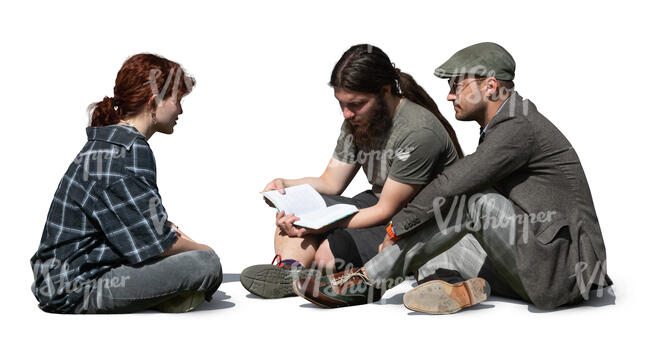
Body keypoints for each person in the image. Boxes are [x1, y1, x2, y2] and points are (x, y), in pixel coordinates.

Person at [294, 42, 612, 313]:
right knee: (435, 241)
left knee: (472, 201)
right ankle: (456, 287)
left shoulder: (519, 126)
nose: (449, 96)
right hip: (539, 261)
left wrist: (396, 228)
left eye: (456, 85)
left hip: (564, 271)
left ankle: (366, 283)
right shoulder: (503, 127)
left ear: (490, 86)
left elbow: (455, 182)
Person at [240, 44, 479, 299]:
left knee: (327, 255)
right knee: (292, 214)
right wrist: (285, 186)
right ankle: (291, 272)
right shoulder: (357, 120)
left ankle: (324, 274)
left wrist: (320, 226)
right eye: (341, 104)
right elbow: (331, 182)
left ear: (385, 92)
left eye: (355, 104)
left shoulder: (419, 132)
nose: (346, 113)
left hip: (417, 217)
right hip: (378, 203)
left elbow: (386, 210)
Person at [30, 53, 222, 314]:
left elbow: (146, 223)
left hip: (61, 280)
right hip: (76, 289)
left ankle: (168, 294)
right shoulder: (126, 152)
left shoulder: (112, 143)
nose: (181, 110)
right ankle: (170, 294)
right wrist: (203, 249)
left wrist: (173, 236)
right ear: (154, 102)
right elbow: (157, 242)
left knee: (187, 251)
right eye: (177, 100)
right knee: (205, 264)